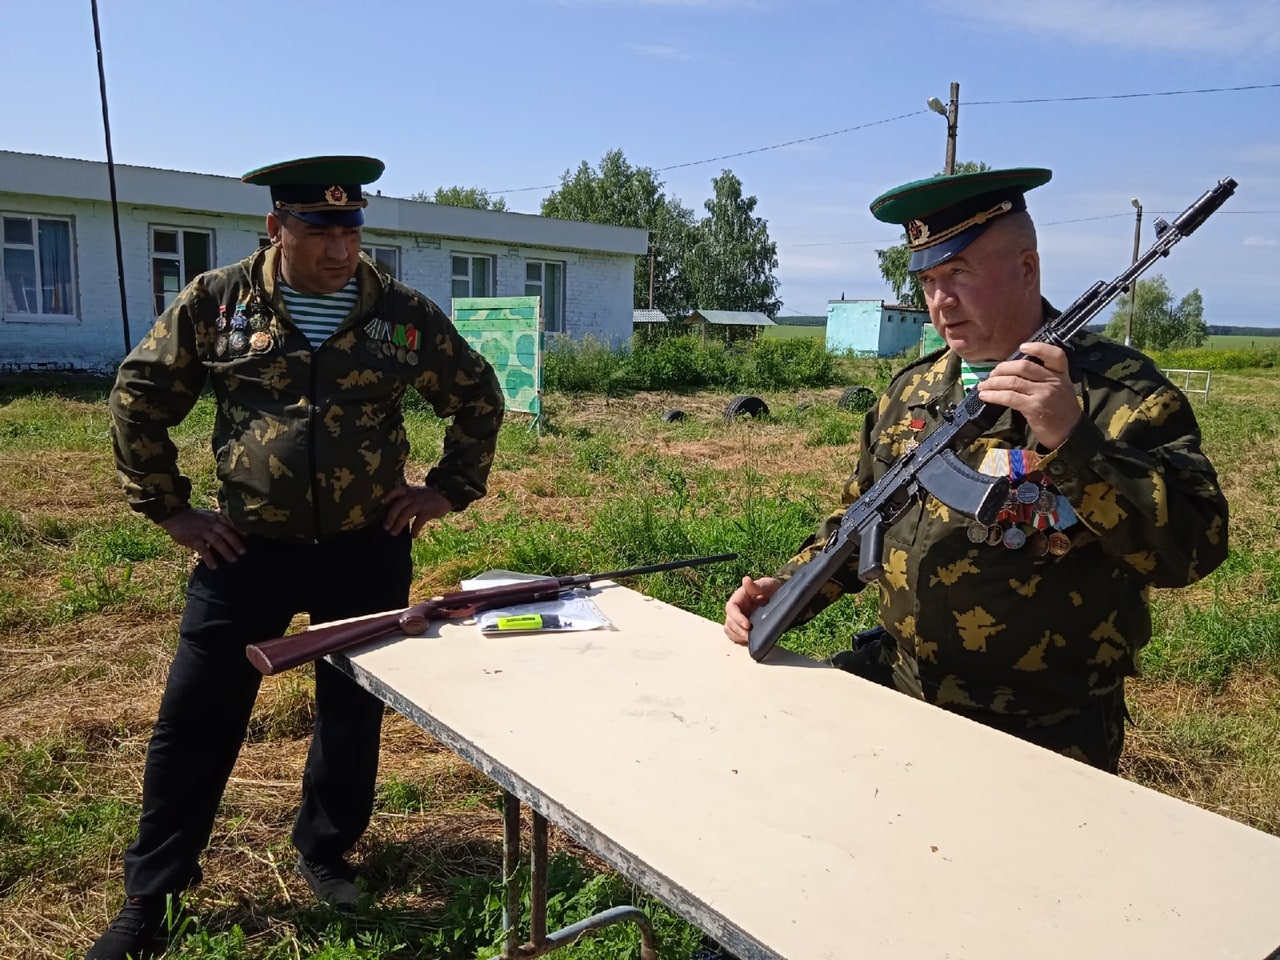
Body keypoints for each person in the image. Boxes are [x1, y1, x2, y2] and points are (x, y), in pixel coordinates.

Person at [88, 156, 505, 960]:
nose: (340, 248)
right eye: (320, 230)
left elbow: (477, 395)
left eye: (351, 229)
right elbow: (139, 393)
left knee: (351, 715)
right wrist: (170, 510)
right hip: (247, 550)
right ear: (277, 227)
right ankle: (154, 895)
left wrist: (447, 491)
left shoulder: (401, 315)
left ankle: (326, 849)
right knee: (195, 718)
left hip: (365, 547)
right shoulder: (218, 303)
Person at [724, 166, 1228, 773]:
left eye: (959, 273)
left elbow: (1192, 551)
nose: (941, 301)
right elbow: (860, 516)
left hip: (1042, 729)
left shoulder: (1119, 394)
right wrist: (789, 591)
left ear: (1026, 267)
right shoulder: (913, 390)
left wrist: (1073, 440)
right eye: (929, 280)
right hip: (900, 685)